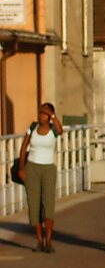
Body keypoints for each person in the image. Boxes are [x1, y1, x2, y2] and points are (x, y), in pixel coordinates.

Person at [17, 103, 63, 253]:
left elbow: (61, 130)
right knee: (34, 203)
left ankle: (48, 240)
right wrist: (22, 168)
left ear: (49, 115)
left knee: (48, 203)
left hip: (48, 168)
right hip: (32, 167)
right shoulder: (33, 127)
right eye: (39, 113)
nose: (41, 116)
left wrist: (53, 116)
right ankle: (39, 240)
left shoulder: (53, 130)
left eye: (44, 113)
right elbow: (24, 147)